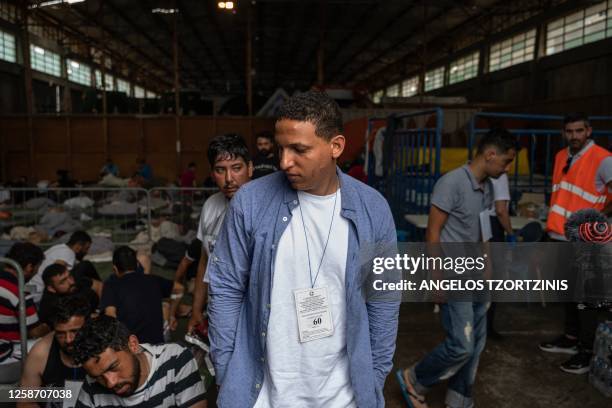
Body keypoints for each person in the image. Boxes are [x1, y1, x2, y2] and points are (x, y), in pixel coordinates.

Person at [208, 90, 400, 407]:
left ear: (336, 146)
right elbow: (226, 287)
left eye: (299, 150)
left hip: (343, 397)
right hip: (264, 396)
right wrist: (228, 370)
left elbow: (383, 298)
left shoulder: (372, 210)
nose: (284, 162)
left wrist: (375, 375)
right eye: (281, 148)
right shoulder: (251, 202)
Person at [397, 128, 516, 408]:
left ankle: (459, 399)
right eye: (506, 161)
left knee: (475, 344)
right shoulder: (451, 183)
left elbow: (484, 229)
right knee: (461, 344)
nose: (507, 168)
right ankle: (414, 378)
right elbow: (433, 233)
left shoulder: (485, 186)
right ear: (490, 154)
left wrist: (487, 267)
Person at [539, 112, 612, 374]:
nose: (574, 136)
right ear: (564, 133)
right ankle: (571, 339)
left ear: (589, 131)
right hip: (560, 235)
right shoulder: (561, 156)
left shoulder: (602, 159)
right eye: (569, 131)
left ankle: (587, 350)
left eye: (579, 131)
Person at [187, 134, 253, 333]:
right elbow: (204, 262)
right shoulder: (210, 205)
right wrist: (196, 309)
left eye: (236, 168)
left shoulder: (264, 210)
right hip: (220, 309)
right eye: (220, 170)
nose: (229, 179)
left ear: (250, 168)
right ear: (212, 173)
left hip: (253, 311)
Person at [73, 315, 206, 407]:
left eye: (113, 367)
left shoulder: (174, 359)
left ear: (133, 345)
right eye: (98, 377)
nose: (110, 383)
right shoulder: (92, 383)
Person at [100, 246, 184, 344]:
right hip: (157, 346)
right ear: (137, 264)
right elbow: (179, 288)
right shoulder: (153, 280)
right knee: (165, 306)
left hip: (131, 348)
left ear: (115, 268)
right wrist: (172, 315)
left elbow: (111, 316)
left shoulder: (111, 285)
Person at [18, 295, 89, 407]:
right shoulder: (40, 352)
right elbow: (25, 402)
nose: (68, 339)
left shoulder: (102, 348)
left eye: (75, 331)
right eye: (61, 333)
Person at [0, 243, 49, 382]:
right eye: (36, 269)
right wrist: (49, 327)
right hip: (4, 356)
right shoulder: (19, 291)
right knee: (51, 342)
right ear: (29, 267)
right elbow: (35, 331)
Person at [29, 230, 92, 304]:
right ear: (78, 246)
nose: (87, 252)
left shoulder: (59, 247)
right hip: (38, 294)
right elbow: (56, 274)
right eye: (86, 248)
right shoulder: (69, 253)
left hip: (31, 287)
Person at [487, 171, 514, 340]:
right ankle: (487, 327)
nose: (509, 165)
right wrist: (510, 233)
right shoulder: (500, 176)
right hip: (494, 228)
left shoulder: (474, 172)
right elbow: (501, 210)